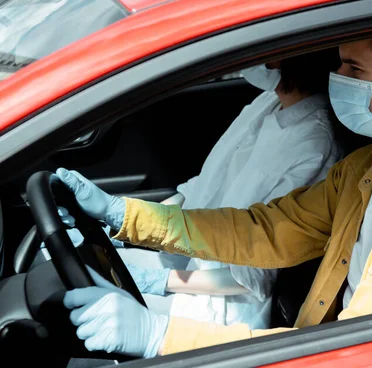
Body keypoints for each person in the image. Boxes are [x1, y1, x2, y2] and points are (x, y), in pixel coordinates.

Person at [58, 28, 372, 358]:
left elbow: (357, 351)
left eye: (354, 68)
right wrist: (126, 215)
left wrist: (159, 336)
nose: (336, 76)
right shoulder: (366, 169)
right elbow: (267, 229)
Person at [57, 48, 344, 332]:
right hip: (190, 259)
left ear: (286, 54)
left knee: (71, 304)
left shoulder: (315, 144)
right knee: (65, 267)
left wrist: (158, 279)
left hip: (222, 307)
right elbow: (201, 190)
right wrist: (120, 224)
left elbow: (251, 274)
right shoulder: (266, 104)